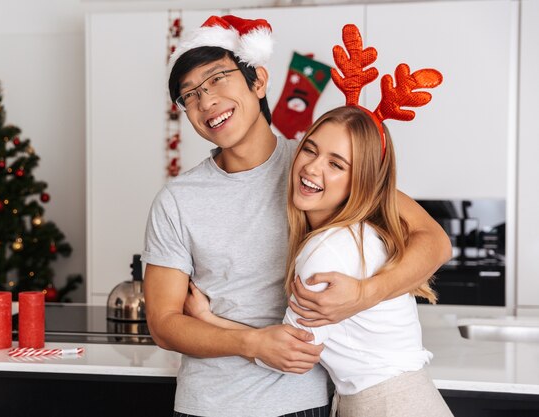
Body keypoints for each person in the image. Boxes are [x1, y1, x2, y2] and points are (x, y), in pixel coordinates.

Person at [143, 15, 451, 417]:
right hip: (209, 404)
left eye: (217, 79)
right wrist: (250, 344)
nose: (206, 101)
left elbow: (434, 241)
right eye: (190, 95)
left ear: (258, 81)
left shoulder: (318, 167)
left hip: (303, 402)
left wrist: (364, 294)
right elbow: (164, 323)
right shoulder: (176, 201)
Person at [184, 107, 454, 417]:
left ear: (361, 181)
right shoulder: (362, 235)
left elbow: (293, 354)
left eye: (336, 164)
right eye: (310, 150)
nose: (312, 168)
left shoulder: (324, 252)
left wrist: (207, 319)